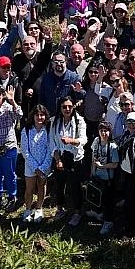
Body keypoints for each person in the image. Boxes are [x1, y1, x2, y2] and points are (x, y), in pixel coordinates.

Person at [50, 96, 88, 226]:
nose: (67, 109)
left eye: (69, 107)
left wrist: (71, 141)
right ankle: (60, 209)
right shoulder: (55, 121)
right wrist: (57, 159)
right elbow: (52, 142)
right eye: (64, 107)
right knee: (59, 185)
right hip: (60, 156)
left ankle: (77, 212)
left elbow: (84, 140)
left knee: (75, 187)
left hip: (74, 158)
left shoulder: (79, 121)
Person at [0, 84, 22, 212]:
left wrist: (12, 101)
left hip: (8, 147)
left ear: (3, 95)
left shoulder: (9, 108)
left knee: (10, 174)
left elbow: (19, 115)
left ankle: (12, 196)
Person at [20, 104, 54, 222]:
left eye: (42, 115)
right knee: (29, 188)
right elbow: (25, 151)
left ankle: (39, 208)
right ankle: (28, 209)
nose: (40, 117)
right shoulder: (27, 130)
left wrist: (43, 167)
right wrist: (35, 168)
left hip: (45, 165)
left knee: (41, 186)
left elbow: (50, 149)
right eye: (37, 115)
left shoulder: (49, 130)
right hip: (30, 166)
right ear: (33, 116)